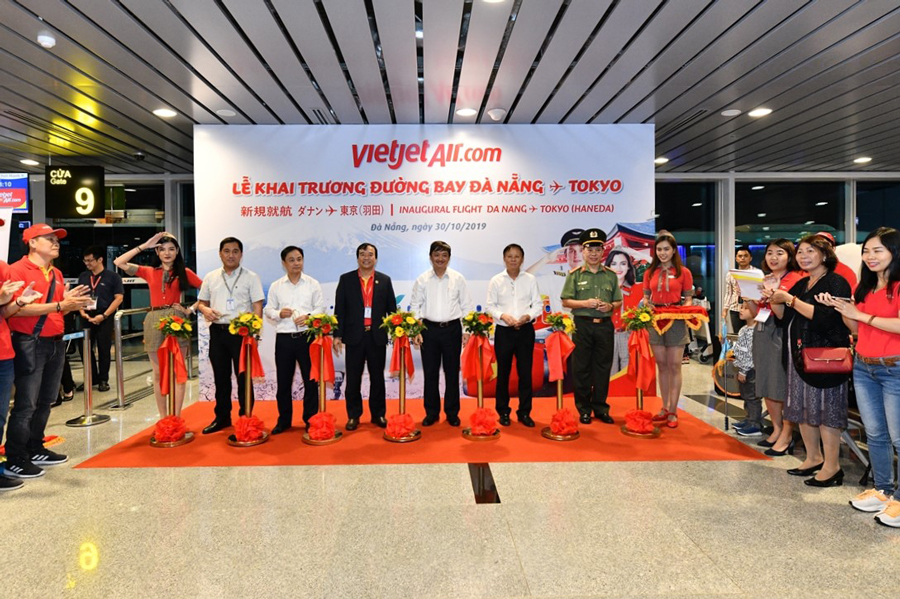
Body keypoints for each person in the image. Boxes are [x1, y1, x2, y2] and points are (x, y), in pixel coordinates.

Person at [823, 227, 900, 526]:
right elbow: (856, 329)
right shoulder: (865, 287)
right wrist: (843, 309)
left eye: (877, 250)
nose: (870, 256)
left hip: (894, 367)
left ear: (894, 251)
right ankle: (883, 490)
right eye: (867, 251)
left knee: (897, 437)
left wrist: (861, 316)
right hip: (864, 366)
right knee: (876, 434)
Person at [3, 224, 91, 479]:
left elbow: (57, 308)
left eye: (57, 240)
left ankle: (35, 446)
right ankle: (16, 456)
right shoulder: (16, 270)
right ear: (32, 243)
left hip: (55, 341)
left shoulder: (57, 273)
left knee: (46, 399)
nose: (56, 243)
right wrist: (59, 305)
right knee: (26, 403)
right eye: (49, 239)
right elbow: (14, 309)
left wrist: (70, 304)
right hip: (29, 342)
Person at [766, 234, 851, 486]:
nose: (803, 256)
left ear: (824, 255)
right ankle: (813, 457)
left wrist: (789, 300)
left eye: (810, 251)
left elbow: (826, 319)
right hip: (800, 357)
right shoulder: (803, 284)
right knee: (803, 409)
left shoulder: (837, 282)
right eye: (800, 252)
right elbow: (783, 317)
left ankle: (832, 466)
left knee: (827, 411)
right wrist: (774, 298)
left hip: (826, 358)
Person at [114, 232, 202, 419]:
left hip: (177, 319)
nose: (167, 253)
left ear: (177, 251)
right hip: (154, 319)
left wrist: (191, 309)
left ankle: (176, 416)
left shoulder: (185, 273)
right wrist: (144, 245)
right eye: (162, 249)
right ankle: (163, 418)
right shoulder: (149, 271)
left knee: (179, 370)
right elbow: (119, 262)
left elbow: (207, 290)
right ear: (157, 252)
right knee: (158, 372)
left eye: (171, 249)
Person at [197, 237, 265, 434]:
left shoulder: (251, 277)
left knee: (244, 378)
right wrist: (205, 310)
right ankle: (222, 417)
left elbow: (257, 306)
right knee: (221, 378)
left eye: (235, 251)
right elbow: (201, 302)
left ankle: (246, 418)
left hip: (242, 335)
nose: (231, 255)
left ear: (241, 255)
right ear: (220, 254)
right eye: (226, 251)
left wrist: (255, 333)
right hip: (217, 332)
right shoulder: (211, 277)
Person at [745, 239, 804, 455]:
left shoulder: (796, 279)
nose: (773, 257)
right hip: (761, 332)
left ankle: (788, 433)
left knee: (782, 385)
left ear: (789, 256)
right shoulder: (766, 278)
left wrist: (772, 295)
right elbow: (754, 312)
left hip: (781, 333)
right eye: (770, 253)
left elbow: (781, 314)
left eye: (779, 253)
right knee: (766, 383)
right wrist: (748, 296)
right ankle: (777, 428)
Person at [561, 228, 621, 425]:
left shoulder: (611, 275)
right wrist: (585, 303)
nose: (593, 254)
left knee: (603, 368)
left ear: (603, 251)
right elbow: (566, 301)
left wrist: (610, 306)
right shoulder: (575, 275)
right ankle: (584, 409)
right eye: (589, 250)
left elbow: (618, 301)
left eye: (597, 250)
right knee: (582, 368)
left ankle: (601, 408)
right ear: (583, 252)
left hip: (604, 326)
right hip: (582, 326)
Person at [333, 243, 396, 430]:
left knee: (377, 378)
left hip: (376, 337)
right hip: (354, 337)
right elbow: (340, 310)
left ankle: (378, 414)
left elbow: (392, 310)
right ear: (357, 257)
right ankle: (353, 415)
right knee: (353, 379)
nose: (366, 257)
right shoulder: (346, 280)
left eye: (370, 254)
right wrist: (337, 335)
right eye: (362, 254)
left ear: (376, 258)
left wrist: (399, 330)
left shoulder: (384, 280)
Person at [410, 241, 474, 427]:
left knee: (452, 373)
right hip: (428, 330)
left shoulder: (458, 278)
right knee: (430, 374)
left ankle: (452, 413)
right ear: (430, 257)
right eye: (436, 255)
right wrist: (416, 330)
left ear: (449, 258)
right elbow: (415, 306)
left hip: (452, 330)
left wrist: (467, 330)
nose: (440, 259)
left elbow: (467, 306)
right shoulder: (422, 279)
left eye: (444, 255)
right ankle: (431, 413)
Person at [264, 246, 325, 435]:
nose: (296, 263)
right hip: (284, 339)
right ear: (284, 263)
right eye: (291, 260)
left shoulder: (312, 284)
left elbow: (320, 309)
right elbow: (268, 310)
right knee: (283, 382)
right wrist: (279, 313)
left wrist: (308, 316)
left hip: (307, 338)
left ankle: (310, 419)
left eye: (299, 259)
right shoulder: (276, 285)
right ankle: (284, 420)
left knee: (310, 381)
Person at [486, 243, 542, 427]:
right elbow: (490, 306)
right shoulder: (496, 280)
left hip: (525, 331)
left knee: (525, 373)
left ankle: (524, 412)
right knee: (503, 374)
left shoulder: (530, 279)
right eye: (509, 256)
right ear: (504, 259)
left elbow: (538, 305)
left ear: (522, 259)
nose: (513, 259)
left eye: (517, 256)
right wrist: (503, 316)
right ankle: (503, 412)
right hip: (504, 331)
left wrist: (528, 316)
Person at [643, 231, 693, 429]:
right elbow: (646, 296)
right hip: (655, 320)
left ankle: (673, 409)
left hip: (677, 320)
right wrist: (647, 306)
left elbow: (688, 296)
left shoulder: (684, 272)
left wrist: (685, 308)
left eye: (666, 249)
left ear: (673, 251)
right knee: (662, 365)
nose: (662, 253)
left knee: (674, 365)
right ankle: (664, 407)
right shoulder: (649, 272)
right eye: (659, 249)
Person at [0, 256, 42, 490]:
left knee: (0, 416)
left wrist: (19, 303)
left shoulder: (1, 268)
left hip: (4, 353)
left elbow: (4, 313)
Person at [77, 245, 124, 392]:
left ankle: (104, 379)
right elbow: (78, 296)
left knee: (104, 348)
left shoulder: (112, 277)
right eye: (85, 261)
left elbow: (119, 298)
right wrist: (81, 312)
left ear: (100, 260)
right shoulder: (84, 276)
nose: (88, 264)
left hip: (104, 315)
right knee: (84, 348)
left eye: (90, 260)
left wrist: (104, 315)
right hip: (86, 315)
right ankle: (92, 377)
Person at [605, 247, 640, 373]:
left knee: (629, 373)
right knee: (610, 375)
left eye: (623, 263)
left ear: (629, 267)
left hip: (629, 336)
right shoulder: (601, 289)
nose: (618, 268)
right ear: (607, 266)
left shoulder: (638, 289)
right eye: (613, 264)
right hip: (607, 336)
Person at [731, 301, 764, 437]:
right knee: (745, 395)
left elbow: (751, 353)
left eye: (746, 308)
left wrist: (743, 370)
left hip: (750, 369)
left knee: (752, 397)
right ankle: (749, 418)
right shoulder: (744, 329)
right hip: (743, 367)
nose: (741, 310)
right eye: (741, 307)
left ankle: (755, 423)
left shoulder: (755, 331)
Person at [722, 246, 762, 334]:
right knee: (738, 335)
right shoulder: (731, 274)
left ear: (750, 258)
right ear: (736, 258)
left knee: (752, 334)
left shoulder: (756, 273)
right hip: (735, 308)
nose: (742, 258)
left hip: (751, 308)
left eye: (745, 256)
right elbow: (729, 293)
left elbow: (760, 293)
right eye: (740, 256)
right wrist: (725, 310)